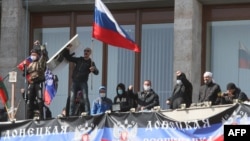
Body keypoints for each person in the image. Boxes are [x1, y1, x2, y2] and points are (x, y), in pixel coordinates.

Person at [63, 46, 99, 116]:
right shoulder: (79, 59)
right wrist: (67, 50)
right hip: (75, 81)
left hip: (83, 82)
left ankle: (88, 114)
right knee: (72, 99)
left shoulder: (91, 62)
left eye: (88, 51)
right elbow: (68, 58)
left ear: (90, 53)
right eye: (85, 51)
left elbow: (97, 72)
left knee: (85, 98)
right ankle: (71, 115)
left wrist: (93, 69)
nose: (86, 52)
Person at [24, 40, 48, 120]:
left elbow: (44, 54)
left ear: (37, 55)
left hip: (39, 83)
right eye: (32, 55)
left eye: (34, 54)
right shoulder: (30, 64)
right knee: (29, 101)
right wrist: (24, 68)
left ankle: (41, 118)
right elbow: (25, 73)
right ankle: (28, 119)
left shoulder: (40, 62)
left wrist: (40, 45)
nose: (32, 56)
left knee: (40, 101)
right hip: (32, 84)